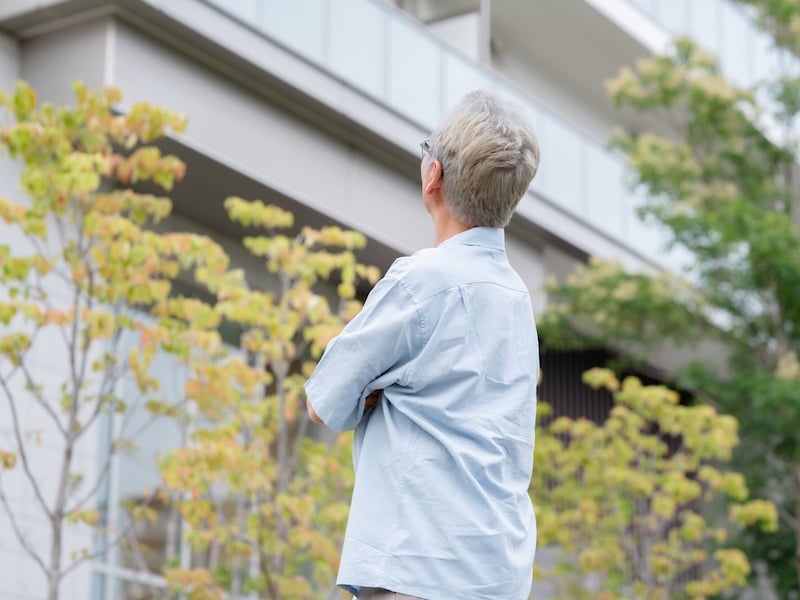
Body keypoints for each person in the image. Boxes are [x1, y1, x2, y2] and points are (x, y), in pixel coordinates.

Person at [304, 89, 541, 600]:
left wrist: (373, 395)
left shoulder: (419, 281)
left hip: (417, 567)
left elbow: (323, 402)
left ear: (432, 175)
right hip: (498, 573)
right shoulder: (517, 299)